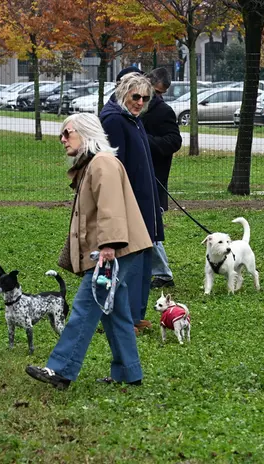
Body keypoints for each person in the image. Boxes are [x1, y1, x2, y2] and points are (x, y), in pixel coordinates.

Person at [25, 113, 152, 390]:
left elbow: (111, 207)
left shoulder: (102, 163)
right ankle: (129, 373)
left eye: (67, 133)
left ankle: (60, 370)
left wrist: (108, 246)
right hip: (117, 247)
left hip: (114, 248)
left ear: (85, 133)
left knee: (86, 305)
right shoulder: (93, 164)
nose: (62, 139)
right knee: (114, 311)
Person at [99, 72, 163, 335]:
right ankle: (121, 318)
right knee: (129, 261)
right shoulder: (114, 119)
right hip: (129, 203)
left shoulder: (133, 119)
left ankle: (135, 315)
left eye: (145, 98)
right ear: (123, 92)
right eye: (135, 96)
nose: (140, 102)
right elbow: (114, 168)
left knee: (144, 256)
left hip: (144, 200)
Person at [142, 67, 182, 289]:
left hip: (154, 177)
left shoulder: (163, 111)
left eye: (160, 94)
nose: (156, 97)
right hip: (134, 174)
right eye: (155, 91)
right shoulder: (132, 105)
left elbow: (174, 141)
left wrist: (144, 140)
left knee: (150, 226)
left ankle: (163, 274)